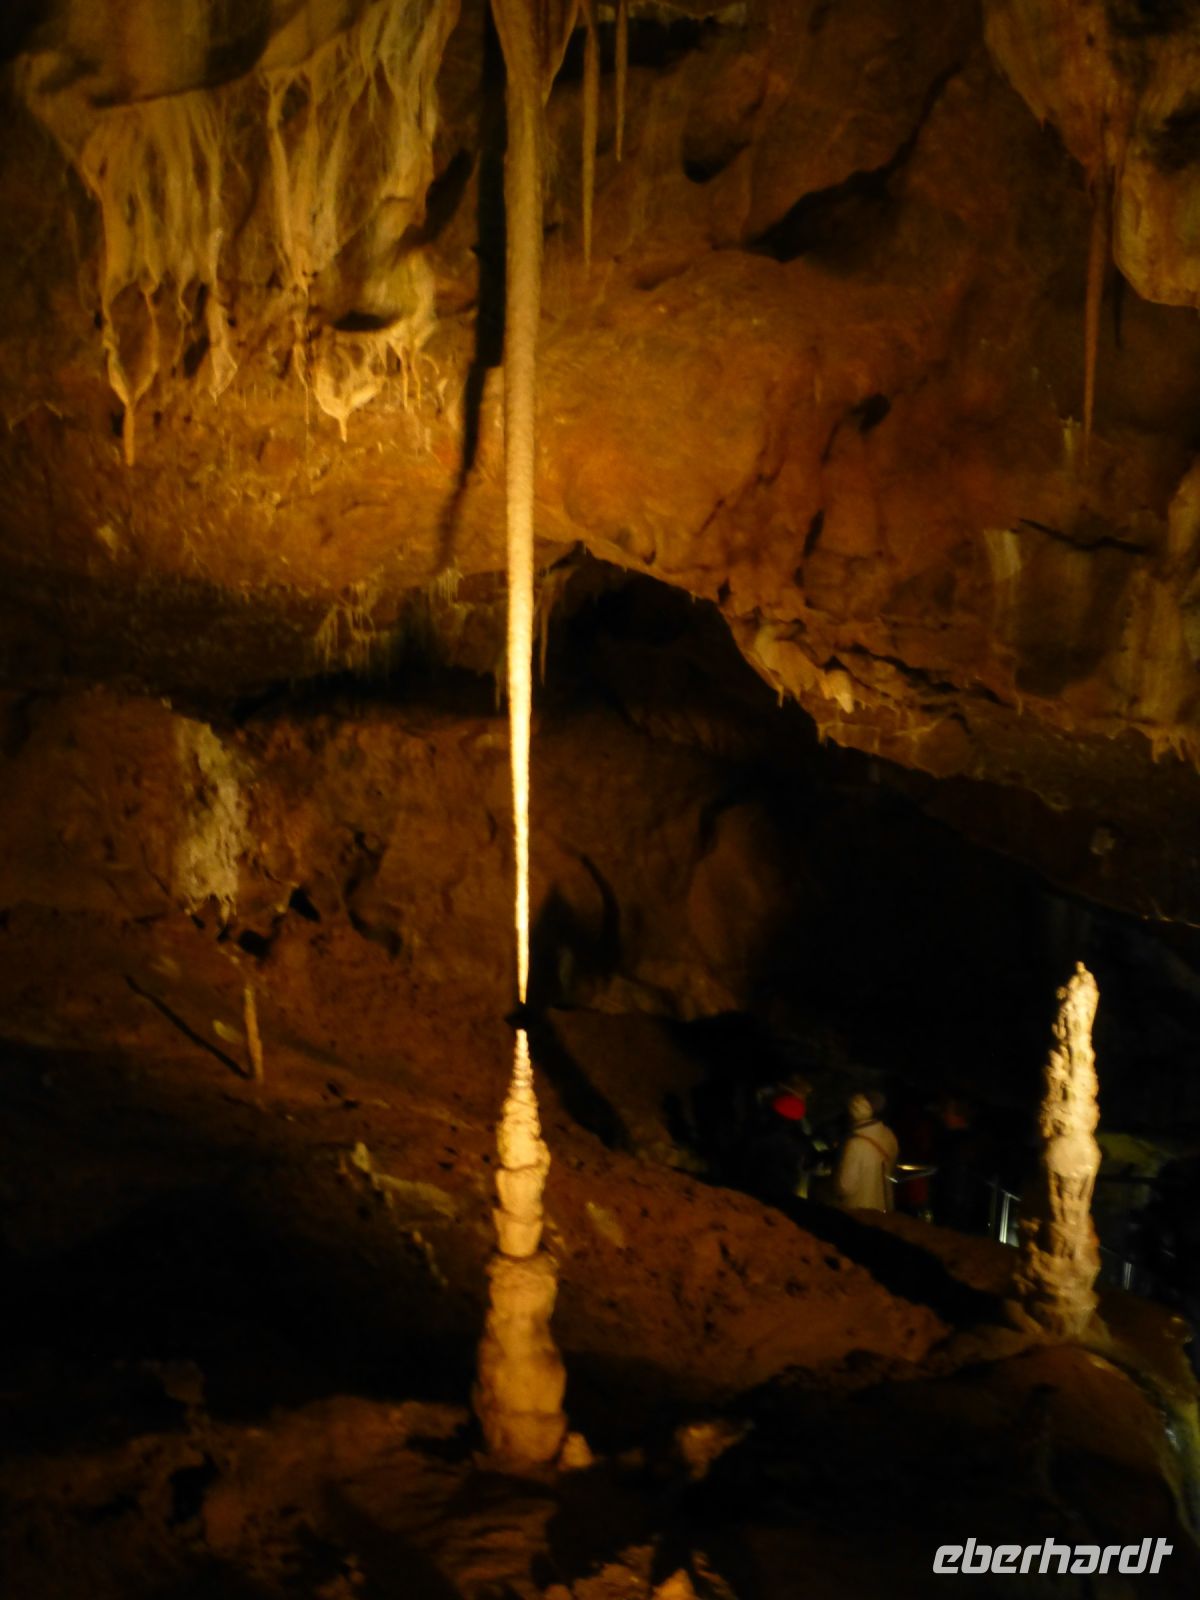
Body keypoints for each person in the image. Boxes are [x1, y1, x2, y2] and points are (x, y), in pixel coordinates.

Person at [833, 1091, 899, 1212]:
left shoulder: (855, 1144)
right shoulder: (889, 1135)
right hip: (884, 1207)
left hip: (859, 1210)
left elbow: (845, 1187)